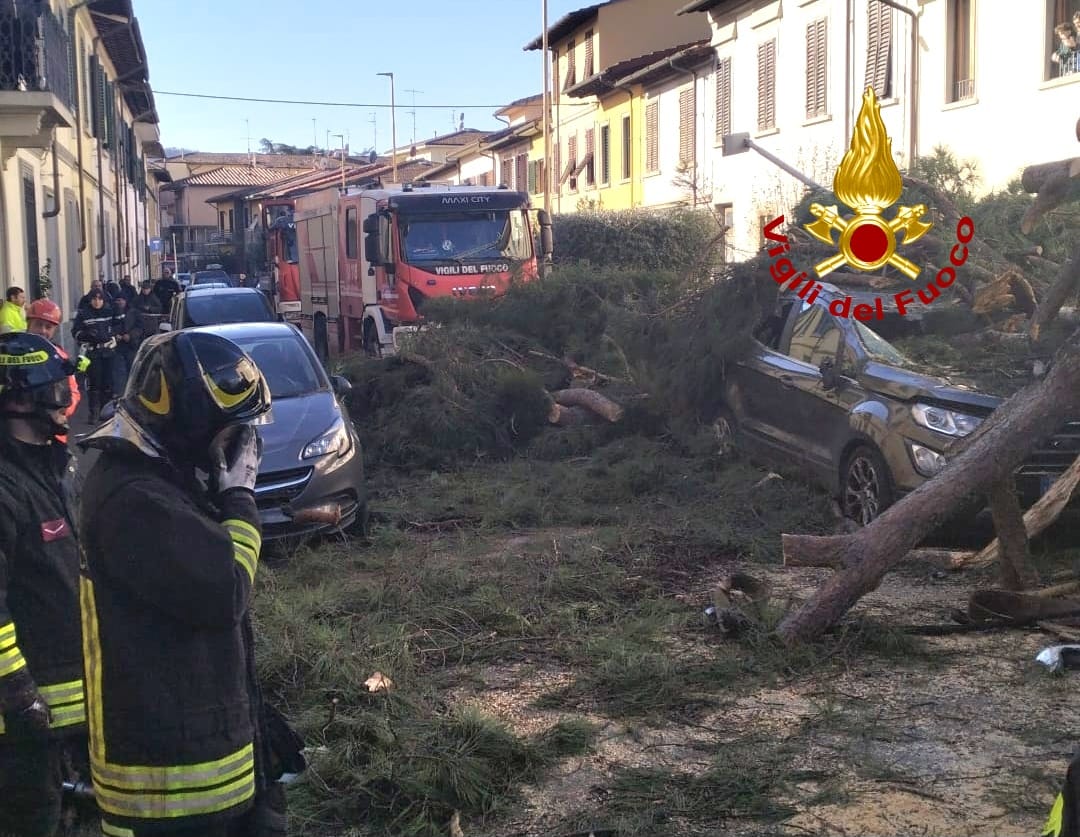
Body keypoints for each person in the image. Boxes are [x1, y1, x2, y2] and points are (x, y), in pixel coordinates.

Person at [78, 330, 295, 836]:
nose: (243, 447)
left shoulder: (159, 479)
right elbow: (226, 591)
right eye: (233, 433)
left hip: (199, 769)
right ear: (194, 425)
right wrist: (240, 497)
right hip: (171, 792)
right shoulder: (136, 501)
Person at [0, 332, 87, 837]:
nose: (66, 402)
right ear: (17, 398)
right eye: (55, 392)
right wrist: (18, 693)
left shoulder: (55, 465)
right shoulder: (5, 486)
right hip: (21, 719)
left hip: (67, 704)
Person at [26, 299, 86, 446]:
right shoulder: (13, 351)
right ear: (28, 324)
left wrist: (61, 410)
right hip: (14, 428)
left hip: (50, 431)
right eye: (38, 325)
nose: (43, 331)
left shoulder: (60, 356)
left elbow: (73, 393)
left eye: (48, 327)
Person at [72, 291, 116, 423]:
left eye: (99, 299)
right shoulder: (84, 314)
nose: (97, 302)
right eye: (94, 299)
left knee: (108, 383)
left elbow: (119, 325)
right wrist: (87, 334)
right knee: (94, 384)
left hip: (108, 351)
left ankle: (106, 412)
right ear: (90, 300)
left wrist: (113, 334)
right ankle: (94, 412)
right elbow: (75, 332)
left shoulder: (109, 311)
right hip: (93, 352)